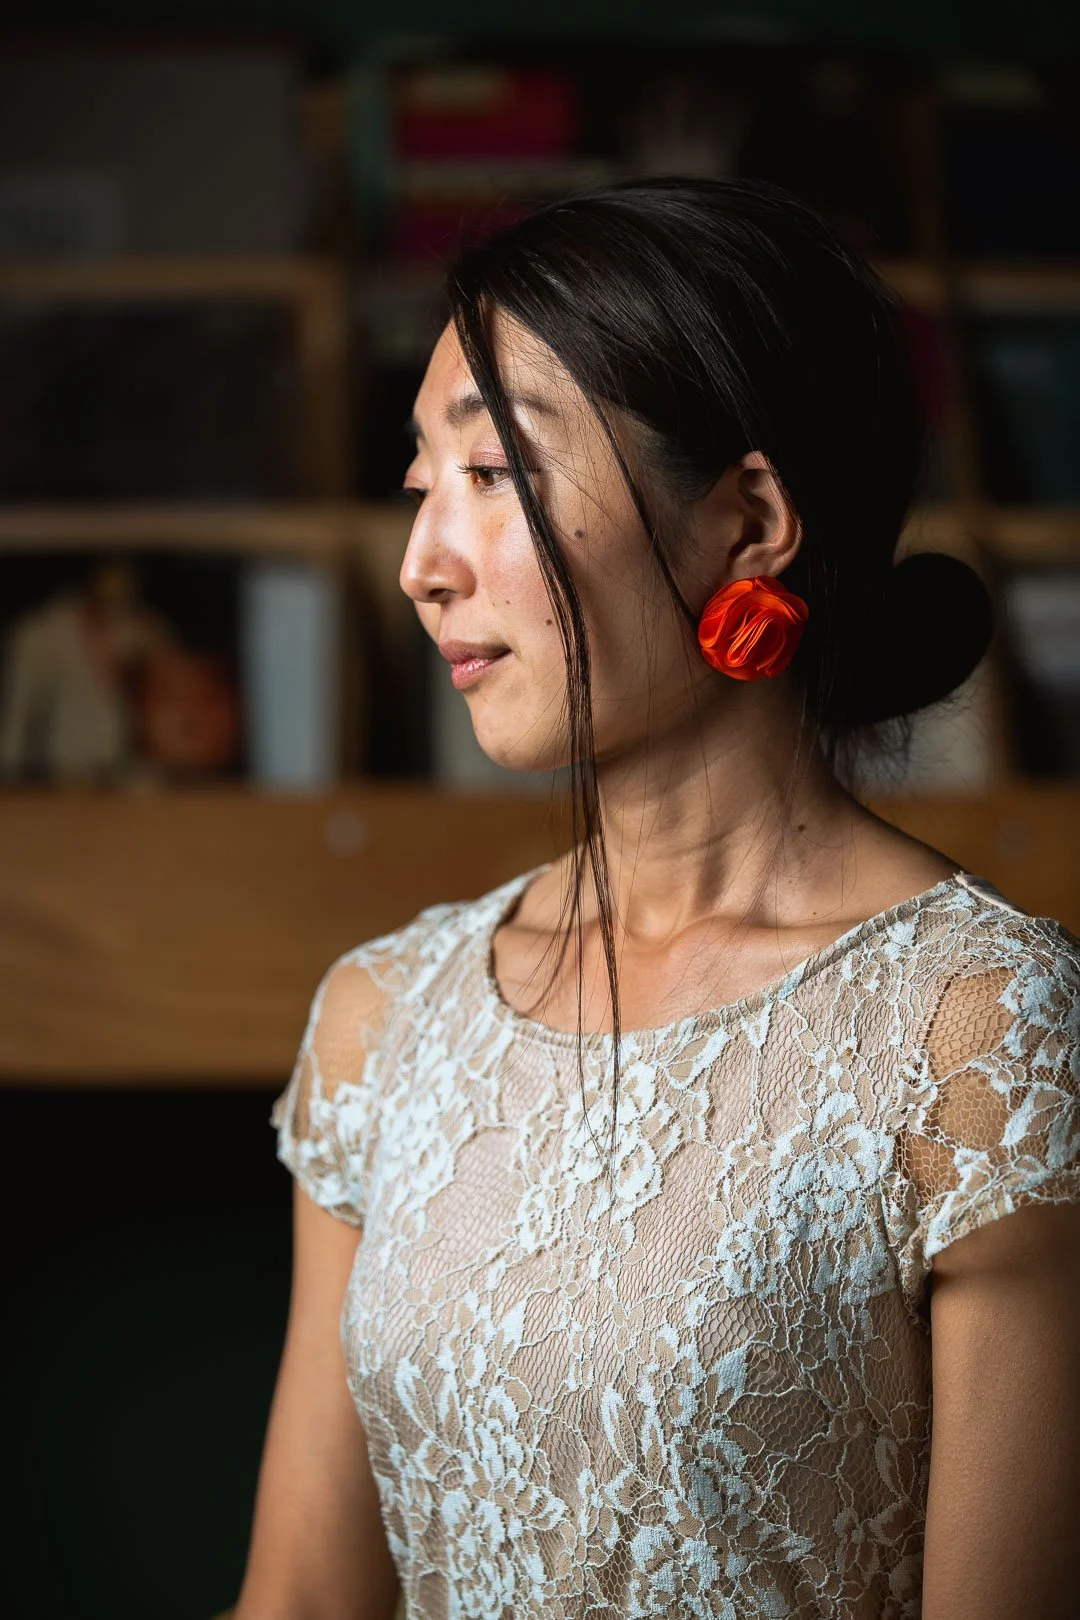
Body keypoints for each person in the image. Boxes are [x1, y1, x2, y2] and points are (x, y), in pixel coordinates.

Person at [235, 177, 1080, 1619]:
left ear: (747, 519)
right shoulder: (386, 1018)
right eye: (420, 486)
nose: (422, 568)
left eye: (494, 477)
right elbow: (302, 1602)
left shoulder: (974, 1029)